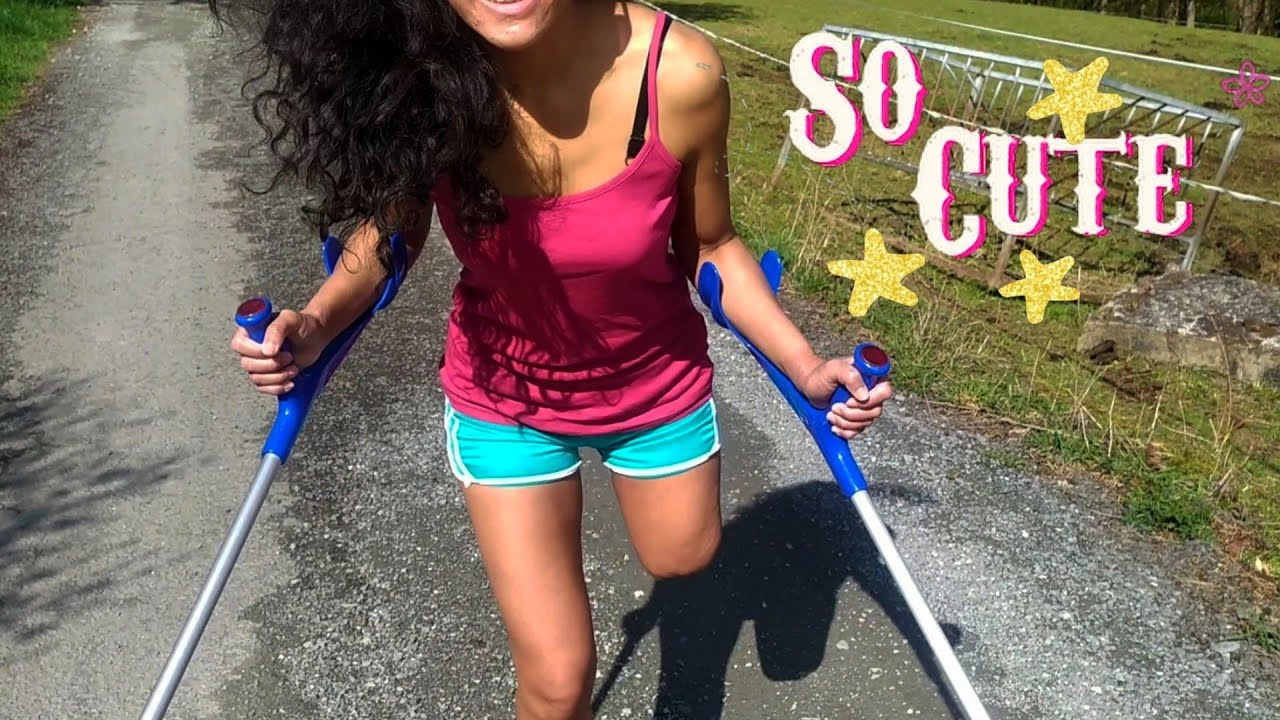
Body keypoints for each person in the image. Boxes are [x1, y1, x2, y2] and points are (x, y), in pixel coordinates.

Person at [223, 1, 894, 718]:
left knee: (683, 557)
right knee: (557, 677)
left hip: (653, 388)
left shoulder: (681, 72)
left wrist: (803, 364)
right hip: (502, 398)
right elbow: (394, 230)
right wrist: (319, 321)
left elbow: (710, 243)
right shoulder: (424, 69)